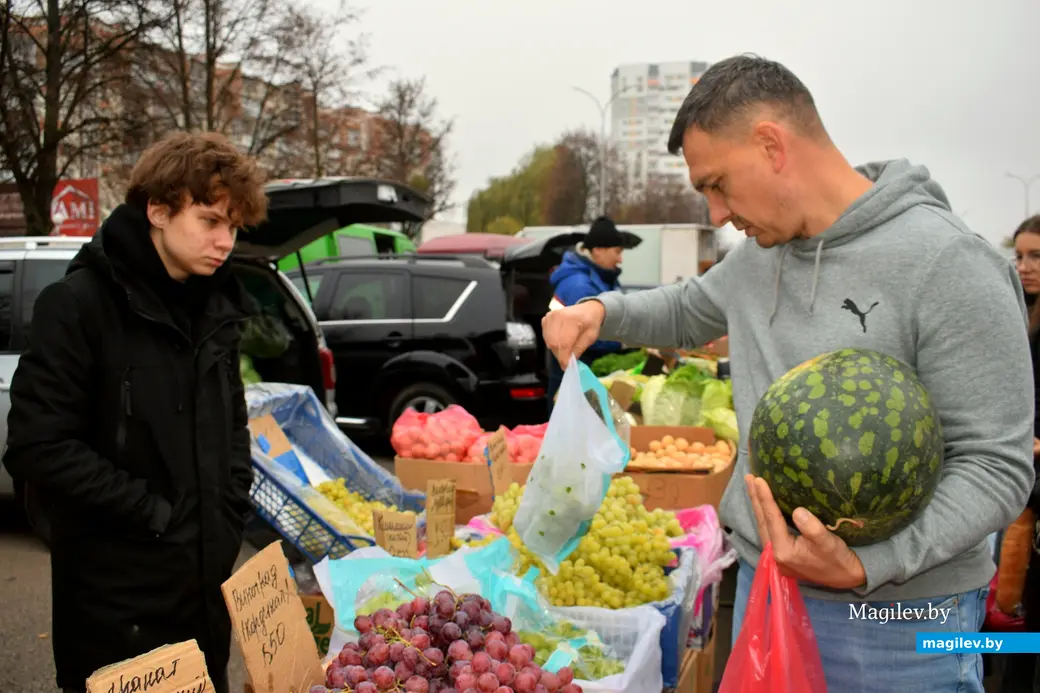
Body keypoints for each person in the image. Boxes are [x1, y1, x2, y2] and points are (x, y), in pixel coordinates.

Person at [541, 54, 1033, 693]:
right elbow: (689, 307)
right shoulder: (760, 253)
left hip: (902, 624)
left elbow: (996, 466)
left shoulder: (952, 263)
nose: (716, 214)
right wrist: (600, 310)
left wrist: (868, 564)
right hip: (765, 586)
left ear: (772, 144)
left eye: (718, 184)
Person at [3, 131, 267, 693]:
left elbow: (233, 426)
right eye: (209, 221)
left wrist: (226, 514)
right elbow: (37, 446)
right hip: (115, 609)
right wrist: (153, 513)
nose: (225, 241)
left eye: (233, 226)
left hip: (204, 598)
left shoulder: (215, 309)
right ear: (158, 210)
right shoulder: (78, 306)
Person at [1000, 214, 1040, 692]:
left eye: (1037, 256)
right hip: (1021, 474)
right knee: (1014, 600)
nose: (1024, 266)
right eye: (1020, 256)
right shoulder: (1016, 312)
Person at [545, 216, 639, 409]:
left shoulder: (603, 278)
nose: (620, 259)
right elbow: (589, 336)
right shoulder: (579, 285)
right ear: (598, 250)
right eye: (617, 252)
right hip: (573, 378)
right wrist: (628, 340)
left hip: (585, 374)